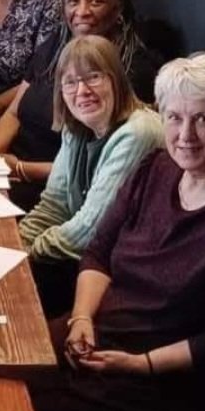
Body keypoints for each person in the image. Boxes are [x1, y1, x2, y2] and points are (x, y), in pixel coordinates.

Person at [31, 53, 205, 411]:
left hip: (163, 384)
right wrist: (81, 318)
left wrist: (141, 365)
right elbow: (98, 252)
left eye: (202, 119)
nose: (184, 135)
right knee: (1, 367)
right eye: (173, 117)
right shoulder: (155, 168)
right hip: (98, 334)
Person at [0, 0, 161, 210]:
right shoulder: (56, 44)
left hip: (58, 192)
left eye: (96, 1)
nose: (82, 11)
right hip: (10, 168)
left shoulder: (133, 70)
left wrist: (19, 169)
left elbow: (101, 169)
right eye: (73, 1)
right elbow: (15, 111)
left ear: (118, 9)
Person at [18, 36, 163, 317]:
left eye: (93, 77)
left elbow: (90, 230)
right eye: (70, 82)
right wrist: (15, 244)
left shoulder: (138, 133)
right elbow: (54, 204)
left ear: (117, 79)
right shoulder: (77, 127)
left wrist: (25, 254)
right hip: (84, 258)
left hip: (123, 272)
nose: (81, 91)